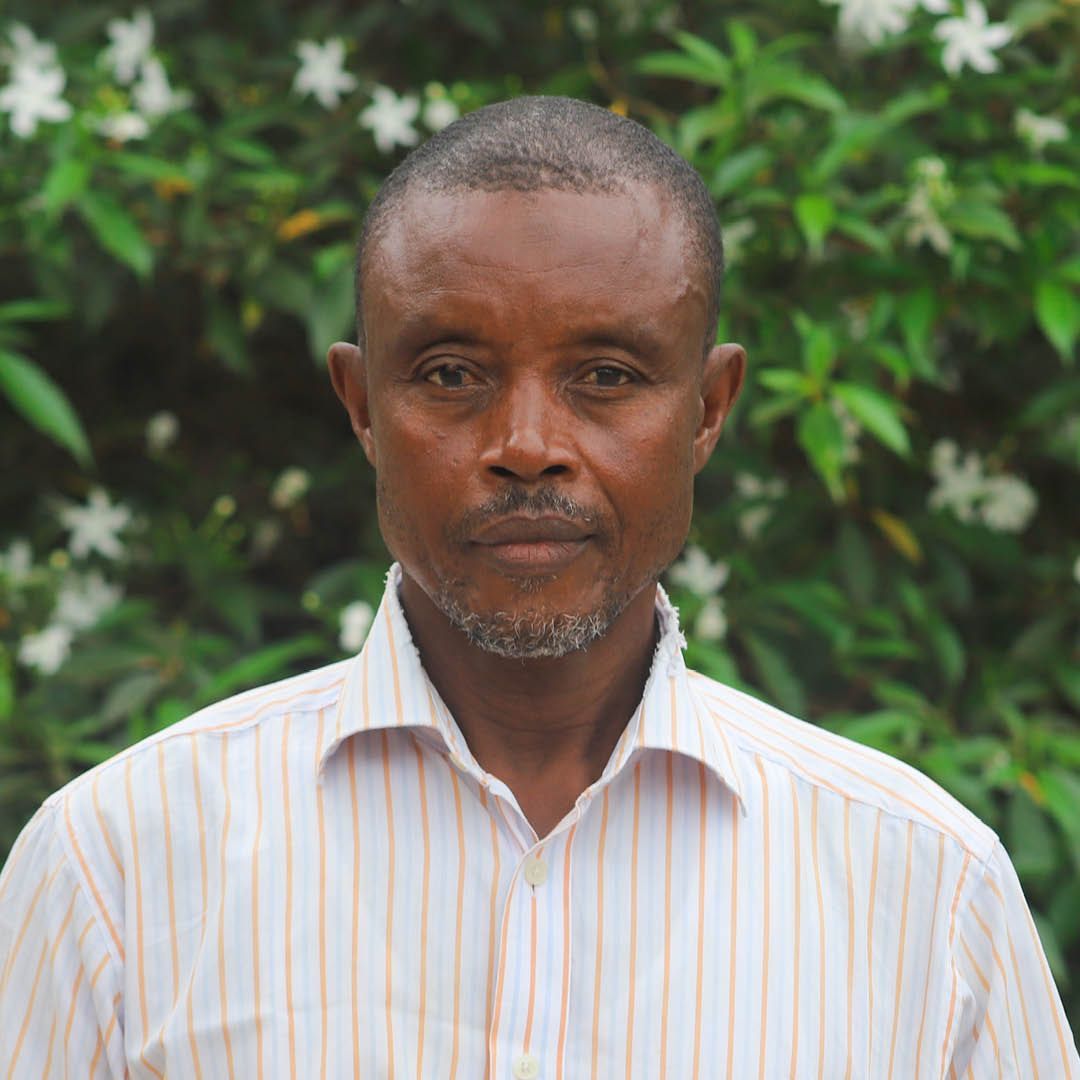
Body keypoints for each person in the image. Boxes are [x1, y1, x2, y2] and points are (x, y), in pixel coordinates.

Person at [0, 96, 1075, 1079]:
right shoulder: (116, 872)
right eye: (450, 375)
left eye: (605, 377)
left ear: (708, 410)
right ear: (362, 405)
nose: (526, 446)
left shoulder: (928, 893)